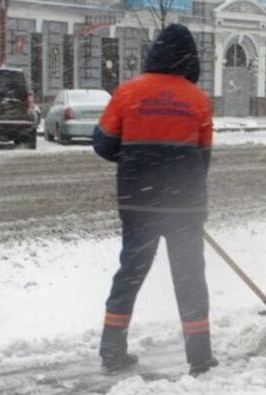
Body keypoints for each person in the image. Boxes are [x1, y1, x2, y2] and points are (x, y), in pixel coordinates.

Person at [91, 24, 217, 376]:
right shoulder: (198, 100)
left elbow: (103, 144)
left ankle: (112, 351)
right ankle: (200, 357)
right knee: (190, 277)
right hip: (184, 205)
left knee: (130, 273)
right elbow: (202, 158)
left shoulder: (127, 92)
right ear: (189, 60)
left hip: (137, 202)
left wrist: (135, 158)